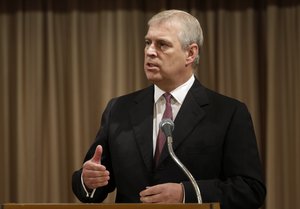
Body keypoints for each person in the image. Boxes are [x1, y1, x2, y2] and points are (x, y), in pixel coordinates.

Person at [72, 9, 266, 209]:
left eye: (162, 44)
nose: (150, 51)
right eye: (148, 43)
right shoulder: (119, 109)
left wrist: (185, 194)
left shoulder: (228, 113)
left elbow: (250, 190)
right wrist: (88, 181)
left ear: (190, 53)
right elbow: (93, 186)